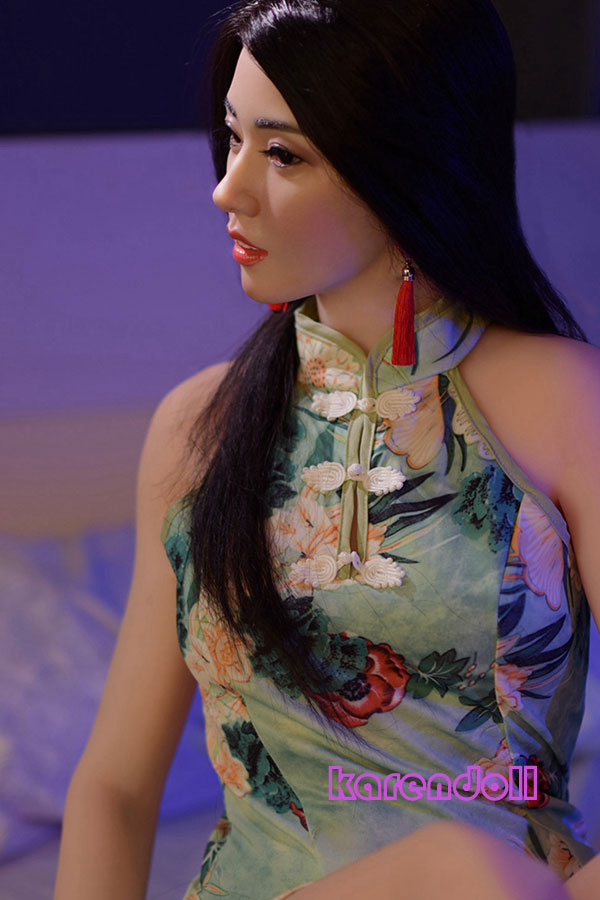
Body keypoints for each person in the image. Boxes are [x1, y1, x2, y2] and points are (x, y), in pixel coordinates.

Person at [54, 1, 600, 898]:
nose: (228, 189)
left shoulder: (566, 403)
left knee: (471, 873)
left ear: (407, 166)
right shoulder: (199, 429)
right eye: (232, 138)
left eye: (283, 154)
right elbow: (114, 787)